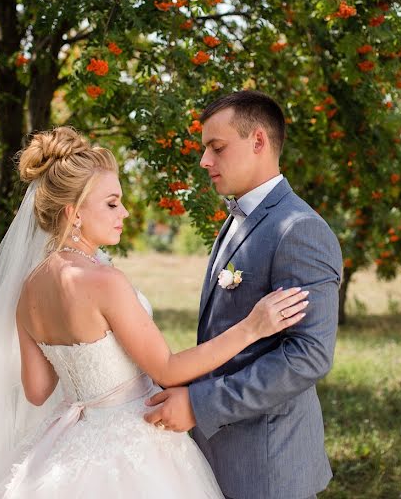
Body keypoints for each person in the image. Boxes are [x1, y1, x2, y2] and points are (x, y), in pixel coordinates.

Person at [0, 126, 309, 498]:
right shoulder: (104, 281)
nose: (125, 212)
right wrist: (252, 328)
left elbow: (37, 392)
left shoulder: (30, 289)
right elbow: (167, 369)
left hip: (68, 443)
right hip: (134, 443)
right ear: (74, 213)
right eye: (112, 203)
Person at [144, 91, 342, 499]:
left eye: (217, 148)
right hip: (223, 456)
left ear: (258, 141)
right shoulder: (238, 219)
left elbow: (308, 356)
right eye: (205, 150)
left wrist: (201, 405)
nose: (204, 161)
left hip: (268, 467)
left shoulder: (299, 228)